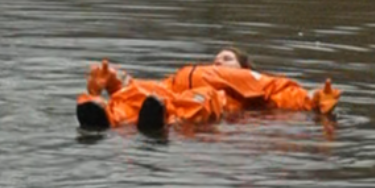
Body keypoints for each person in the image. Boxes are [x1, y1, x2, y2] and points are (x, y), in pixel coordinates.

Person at [76, 46, 339, 134]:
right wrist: (112, 82)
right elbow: (144, 89)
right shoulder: (188, 73)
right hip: (168, 91)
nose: (218, 61)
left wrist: (313, 99)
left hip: (205, 101)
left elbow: (278, 90)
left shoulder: (247, 79)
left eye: (226, 58)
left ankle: (160, 118)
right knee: (143, 92)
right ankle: (104, 115)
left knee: (200, 99)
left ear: (243, 66)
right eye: (216, 58)